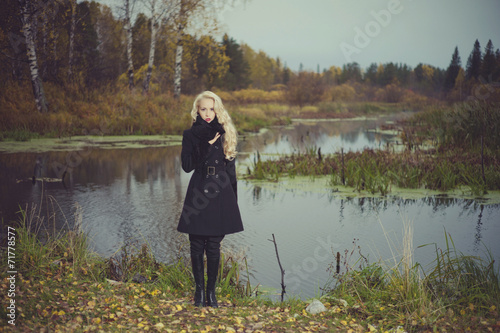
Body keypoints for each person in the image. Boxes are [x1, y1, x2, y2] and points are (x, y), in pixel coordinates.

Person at [177, 91, 244, 308]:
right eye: (203, 109)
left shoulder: (226, 133)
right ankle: (199, 293)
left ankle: (211, 294)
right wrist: (205, 145)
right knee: (196, 244)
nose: (207, 113)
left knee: (214, 245)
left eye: (211, 108)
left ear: (218, 110)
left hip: (220, 192)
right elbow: (187, 166)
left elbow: (231, 171)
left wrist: (234, 201)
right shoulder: (190, 135)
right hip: (198, 190)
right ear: (196, 110)